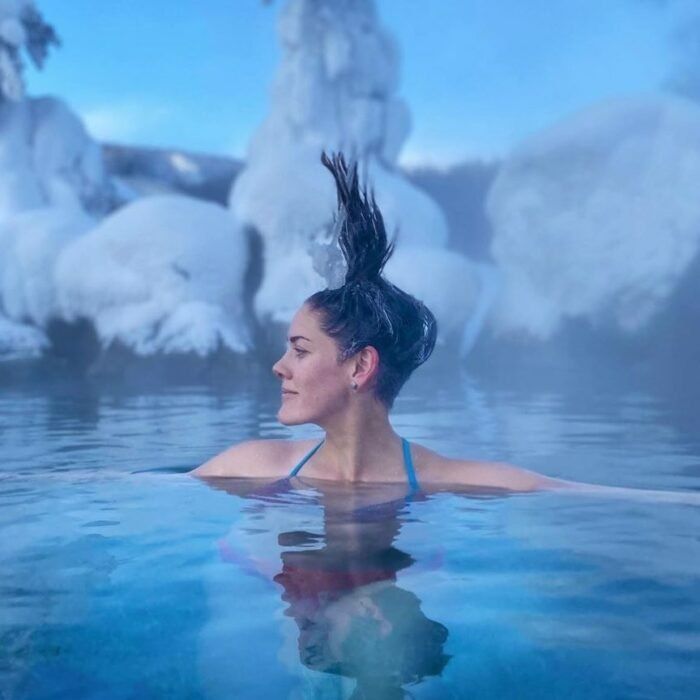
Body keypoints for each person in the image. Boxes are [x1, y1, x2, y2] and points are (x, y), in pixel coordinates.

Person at [192, 151, 577, 492]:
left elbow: (582, 495)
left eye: (300, 350)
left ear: (360, 365)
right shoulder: (253, 466)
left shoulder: (446, 479)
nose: (279, 367)